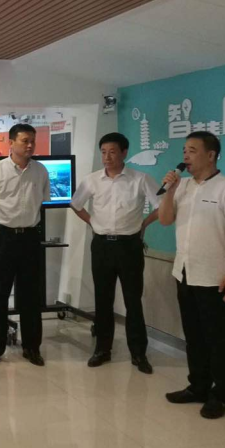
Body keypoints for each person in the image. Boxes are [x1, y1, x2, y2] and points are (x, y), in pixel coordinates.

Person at [158, 131, 225, 420]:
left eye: (192, 150)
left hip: (214, 277)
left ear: (211, 155)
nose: (185, 155)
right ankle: (198, 386)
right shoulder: (181, 186)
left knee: (218, 338)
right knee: (194, 336)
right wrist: (169, 190)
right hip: (184, 272)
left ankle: (222, 394)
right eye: (184, 150)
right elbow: (165, 219)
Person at [71, 132, 160, 374]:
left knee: (133, 300)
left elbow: (162, 206)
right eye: (103, 152)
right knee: (103, 299)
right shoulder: (92, 180)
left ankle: (139, 353)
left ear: (124, 153)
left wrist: (143, 224)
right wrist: (93, 222)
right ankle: (102, 349)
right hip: (102, 246)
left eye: (112, 152)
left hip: (129, 246)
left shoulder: (140, 179)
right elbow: (76, 204)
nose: (107, 157)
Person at [0, 123, 49, 369]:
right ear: (11, 143)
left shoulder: (40, 171)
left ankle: (32, 347)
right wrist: (2, 222)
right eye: (24, 141)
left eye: (32, 141)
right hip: (3, 237)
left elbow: (42, 201)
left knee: (31, 295)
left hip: (30, 237)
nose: (30, 145)